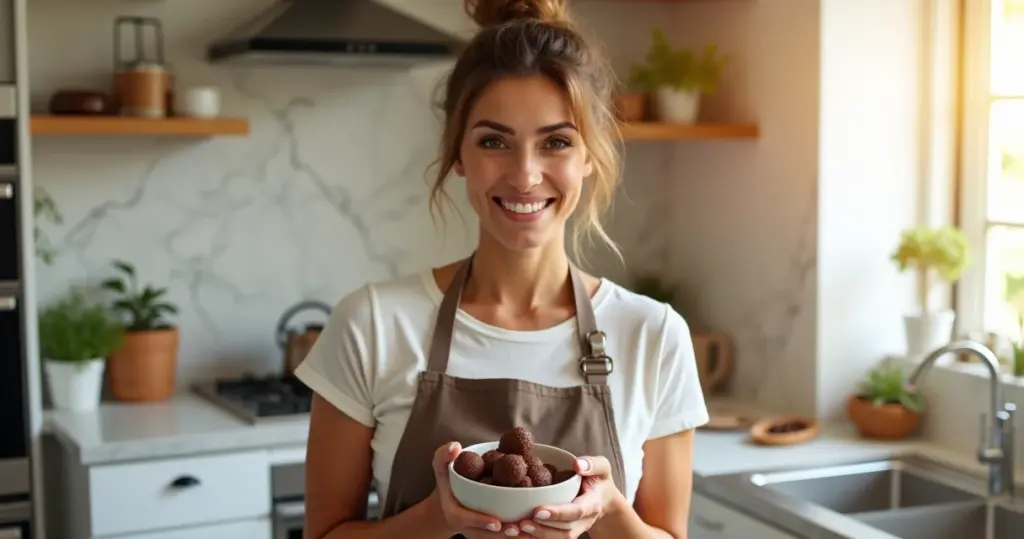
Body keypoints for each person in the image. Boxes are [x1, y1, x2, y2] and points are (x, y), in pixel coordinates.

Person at [294, 0, 710, 537]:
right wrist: (435, 518)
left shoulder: (652, 335)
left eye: (556, 142)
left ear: (590, 156)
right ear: (459, 154)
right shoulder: (372, 324)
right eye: (495, 141)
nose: (525, 175)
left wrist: (610, 513)